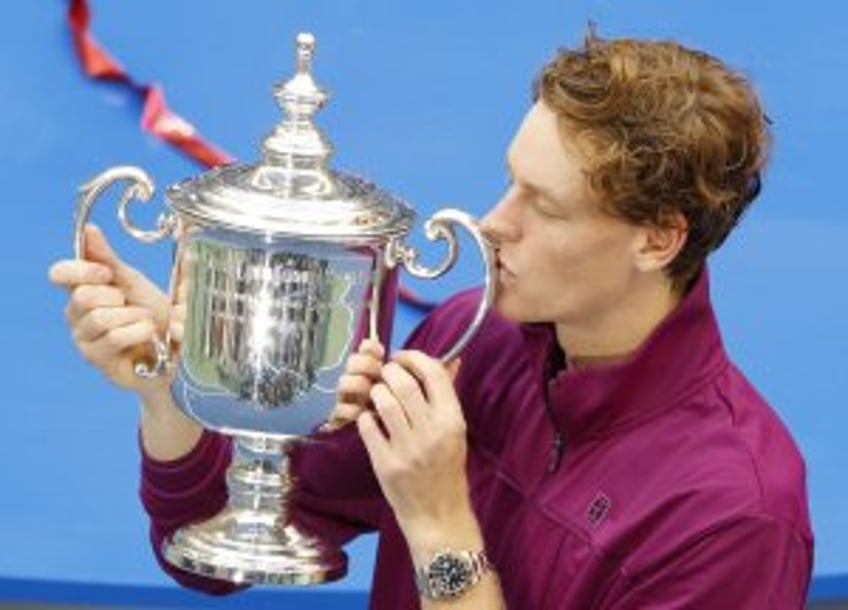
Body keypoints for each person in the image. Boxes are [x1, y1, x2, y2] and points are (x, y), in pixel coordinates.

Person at [50, 31, 813, 609]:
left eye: (542, 206)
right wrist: (174, 384)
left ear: (657, 239)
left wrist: (441, 521)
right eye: (511, 181)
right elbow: (213, 556)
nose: (489, 224)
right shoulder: (463, 339)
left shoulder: (733, 518)